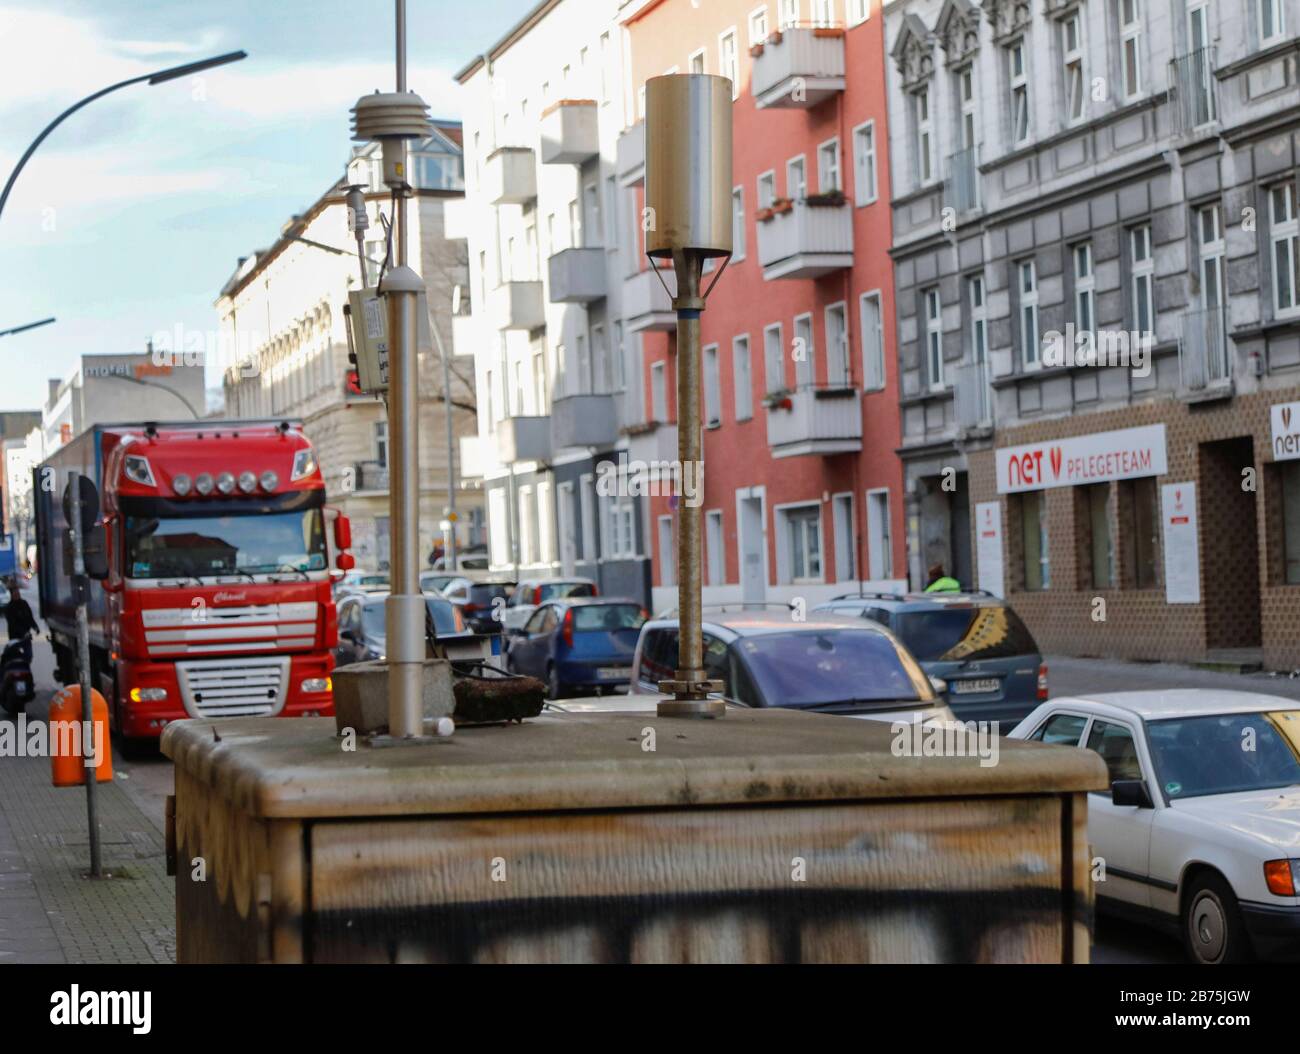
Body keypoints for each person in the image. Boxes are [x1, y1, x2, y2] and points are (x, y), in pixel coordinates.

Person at [2, 576, 40, 662]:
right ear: (11, 594)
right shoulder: (9, 608)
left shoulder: (24, 604)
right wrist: (23, 632)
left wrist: (35, 627)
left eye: (17, 592)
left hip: (26, 638)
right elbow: (13, 624)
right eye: (15, 592)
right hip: (15, 638)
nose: (17, 594)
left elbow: (30, 618)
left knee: (29, 656)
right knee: (15, 657)